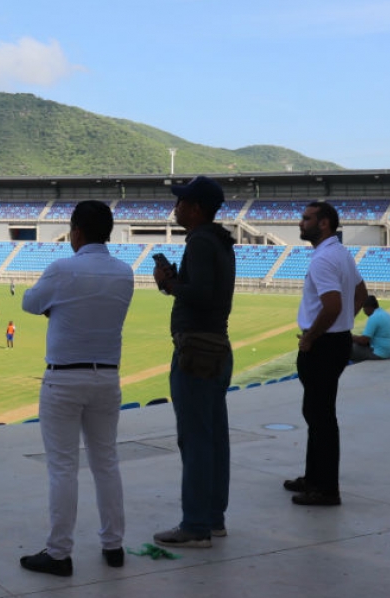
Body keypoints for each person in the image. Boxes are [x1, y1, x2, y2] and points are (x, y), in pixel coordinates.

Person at [18, 200, 134, 577]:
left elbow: (30, 303)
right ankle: (113, 545)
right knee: (107, 463)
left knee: (63, 468)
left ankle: (59, 552)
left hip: (64, 379)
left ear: (77, 233)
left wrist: (58, 307)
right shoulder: (124, 273)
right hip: (107, 378)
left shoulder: (62, 269)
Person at [150, 176, 236, 549]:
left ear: (197, 208)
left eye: (182, 202)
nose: (177, 207)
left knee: (196, 439)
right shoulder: (218, 240)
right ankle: (213, 518)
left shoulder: (200, 241)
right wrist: (174, 281)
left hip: (196, 351)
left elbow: (198, 295)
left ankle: (196, 524)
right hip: (217, 347)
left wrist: (169, 285)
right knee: (215, 437)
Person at [286, 201, 367, 506]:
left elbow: (332, 305)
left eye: (306, 218)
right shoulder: (341, 253)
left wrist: (311, 337)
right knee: (318, 414)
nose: (300, 223)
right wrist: (345, 322)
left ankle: (326, 489)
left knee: (320, 418)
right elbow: (360, 293)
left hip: (323, 346)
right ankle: (314, 478)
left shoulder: (323, 260)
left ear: (324, 224)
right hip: (337, 341)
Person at [351, 296, 390, 362]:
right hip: (389, 353)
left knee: (348, 348)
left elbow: (364, 340)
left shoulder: (374, 317)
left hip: (379, 354)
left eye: (364, 309)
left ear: (368, 308)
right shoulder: (386, 314)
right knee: (357, 346)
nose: (364, 311)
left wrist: (351, 337)